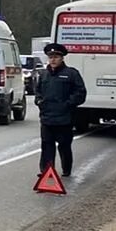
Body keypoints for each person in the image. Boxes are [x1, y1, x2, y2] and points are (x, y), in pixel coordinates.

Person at [35, 42, 86, 180]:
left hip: (64, 119)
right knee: (47, 146)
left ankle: (66, 169)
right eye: (51, 56)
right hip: (47, 118)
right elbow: (38, 91)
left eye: (56, 56)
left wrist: (68, 104)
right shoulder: (44, 74)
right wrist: (39, 101)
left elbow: (80, 93)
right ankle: (46, 170)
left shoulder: (71, 74)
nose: (53, 59)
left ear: (62, 58)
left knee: (64, 146)